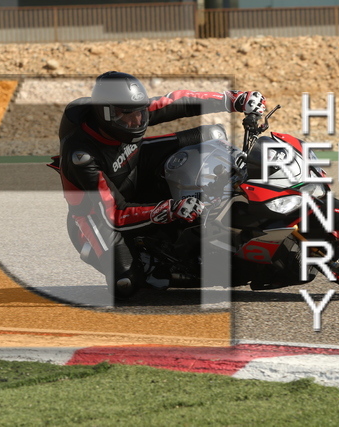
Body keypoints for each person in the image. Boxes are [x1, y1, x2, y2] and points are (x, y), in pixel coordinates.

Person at [52, 71, 266, 301]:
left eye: (140, 113)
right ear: (104, 115)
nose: (137, 121)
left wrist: (233, 99)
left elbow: (178, 101)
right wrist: (168, 209)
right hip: (97, 213)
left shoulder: (127, 112)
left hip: (133, 164)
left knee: (212, 135)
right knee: (125, 284)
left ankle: (229, 196)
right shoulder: (81, 156)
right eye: (127, 116)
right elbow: (114, 213)